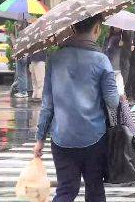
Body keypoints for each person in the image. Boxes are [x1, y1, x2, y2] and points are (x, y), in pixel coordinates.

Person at [33, 14, 119, 202]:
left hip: (61, 137)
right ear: (96, 29)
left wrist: (40, 139)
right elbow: (112, 101)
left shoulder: (55, 59)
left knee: (65, 191)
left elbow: (47, 105)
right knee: (95, 191)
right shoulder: (101, 60)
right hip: (94, 137)